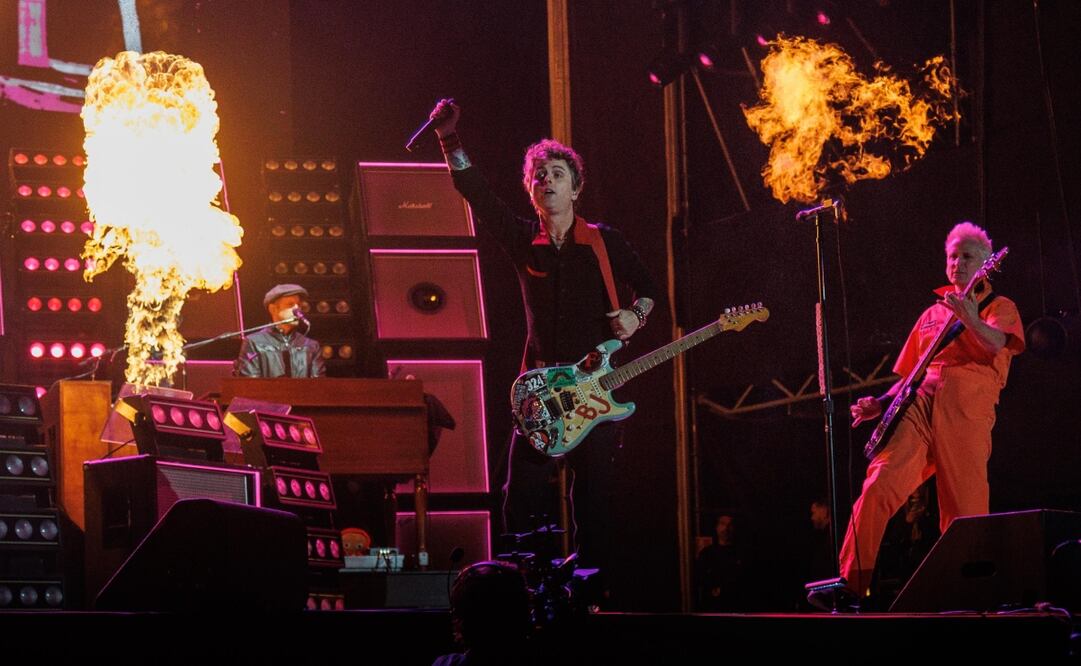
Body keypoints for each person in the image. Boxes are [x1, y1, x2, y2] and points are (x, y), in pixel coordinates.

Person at [428, 99, 658, 579]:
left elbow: (651, 289)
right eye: (539, 176)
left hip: (596, 391)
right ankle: (522, 588)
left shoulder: (604, 242)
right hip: (540, 394)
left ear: (575, 188)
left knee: (594, 499)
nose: (547, 180)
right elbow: (476, 192)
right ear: (531, 192)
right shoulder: (522, 240)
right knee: (520, 496)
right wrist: (448, 138)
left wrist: (635, 315)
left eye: (557, 174)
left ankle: (591, 593)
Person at [839, 222, 1025, 600]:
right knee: (877, 487)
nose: (958, 263)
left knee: (964, 514)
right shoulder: (931, 314)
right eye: (952, 256)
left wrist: (969, 317)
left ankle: (969, 599)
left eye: (967, 256)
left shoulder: (1000, 307)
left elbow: (996, 344)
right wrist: (882, 402)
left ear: (986, 264)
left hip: (966, 412)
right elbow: (910, 374)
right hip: (921, 406)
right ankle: (850, 585)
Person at [234, 283, 326, 378]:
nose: (297, 309)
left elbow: (319, 384)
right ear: (273, 309)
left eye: (298, 305)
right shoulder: (254, 342)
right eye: (290, 304)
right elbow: (250, 383)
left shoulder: (311, 346)